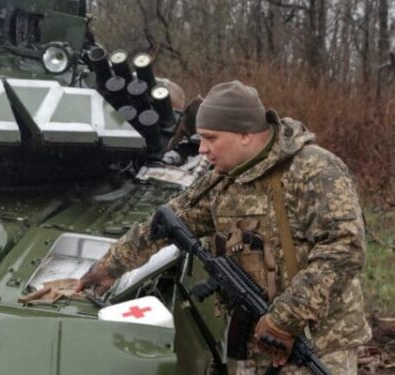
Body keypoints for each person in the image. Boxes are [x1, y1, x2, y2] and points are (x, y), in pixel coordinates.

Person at [76, 80, 371, 374]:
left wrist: (285, 318)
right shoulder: (222, 180)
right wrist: (106, 270)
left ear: (245, 134)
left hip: (318, 345)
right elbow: (165, 224)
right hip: (254, 346)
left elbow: (344, 250)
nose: (202, 149)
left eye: (211, 138)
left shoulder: (314, 170)